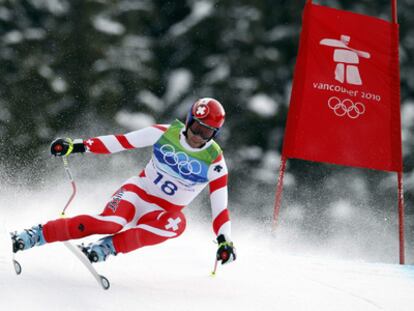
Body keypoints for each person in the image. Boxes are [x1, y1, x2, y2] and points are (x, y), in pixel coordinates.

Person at [11, 98, 236, 265]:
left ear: (214, 134)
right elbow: (121, 142)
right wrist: (78, 145)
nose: (197, 136)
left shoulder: (214, 162)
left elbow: (220, 208)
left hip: (159, 213)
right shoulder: (165, 133)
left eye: (206, 133)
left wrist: (224, 240)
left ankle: (107, 247)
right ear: (188, 121)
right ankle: (36, 234)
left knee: (177, 224)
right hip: (137, 193)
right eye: (196, 128)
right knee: (110, 223)